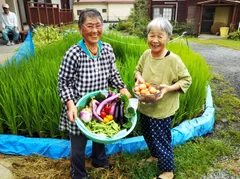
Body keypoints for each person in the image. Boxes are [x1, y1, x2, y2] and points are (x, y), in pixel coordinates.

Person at [58, 8, 132, 179]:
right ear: (80, 29)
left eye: (98, 25)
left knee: (100, 135)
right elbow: (64, 83)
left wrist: (124, 90)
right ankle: (79, 173)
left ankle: (99, 161)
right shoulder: (73, 53)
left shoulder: (106, 49)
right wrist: (70, 106)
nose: (94, 30)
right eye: (89, 26)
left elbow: (113, 74)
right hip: (80, 107)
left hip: (101, 105)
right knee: (78, 145)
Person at [134, 17, 192, 179]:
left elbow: (187, 80)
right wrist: (139, 78)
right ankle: (155, 156)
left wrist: (169, 88)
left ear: (169, 37)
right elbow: (137, 70)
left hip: (162, 109)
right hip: (145, 105)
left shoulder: (173, 60)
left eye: (160, 36)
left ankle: (168, 171)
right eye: (151, 35)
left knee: (161, 139)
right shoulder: (146, 55)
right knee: (147, 134)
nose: (155, 40)